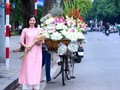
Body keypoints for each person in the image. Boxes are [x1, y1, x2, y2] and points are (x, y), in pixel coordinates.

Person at [18, 14, 44, 90]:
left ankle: (35, 86)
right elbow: (21, 41)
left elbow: (42, 41)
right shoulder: (25, 30)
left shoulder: (39, 30)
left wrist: (38, 41)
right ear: (28, 21)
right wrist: (26, 46)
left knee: (36, 68)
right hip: (28, 53)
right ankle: (27, 86)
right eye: (30, 20)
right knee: (28, 68)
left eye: (33, 20)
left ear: (36, 21)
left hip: (37, 53)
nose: (32, 22)